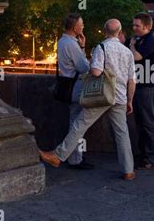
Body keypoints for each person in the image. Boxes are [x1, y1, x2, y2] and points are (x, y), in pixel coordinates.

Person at [40, 19, 136, 180]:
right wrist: (130, 101)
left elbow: (96, 72)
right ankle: (128, 170)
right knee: (121, 133)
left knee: (80, 125)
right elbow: (132, 80)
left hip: (103, 96)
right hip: (120, 97)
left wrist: (93, 67)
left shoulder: (101, 47)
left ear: (105, 31)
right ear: (119, 33)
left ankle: (58, 156)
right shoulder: (127, 52)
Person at [56, 14, 94, 169]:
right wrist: (85, 53)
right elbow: (83, 67)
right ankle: (75, 159)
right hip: (76, 87)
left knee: (74, 121)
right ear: (75, 27)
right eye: (82, 24)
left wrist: (83, 47)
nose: (83, 26)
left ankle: (74, 158)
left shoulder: (62, 41)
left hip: (67, 85)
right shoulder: (71, 44)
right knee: (77, 124)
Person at [129, 12, 154, 169]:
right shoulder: (140, 39)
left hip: (149, 87)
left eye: (137, 26)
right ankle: (143, 155)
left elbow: (136, 56)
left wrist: (132, 46)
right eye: (133, 25)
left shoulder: (151, 41)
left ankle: (151, 158)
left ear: (147, 27)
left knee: (149, 123)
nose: (134, 28)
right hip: (140, 86)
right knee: (141, 123)